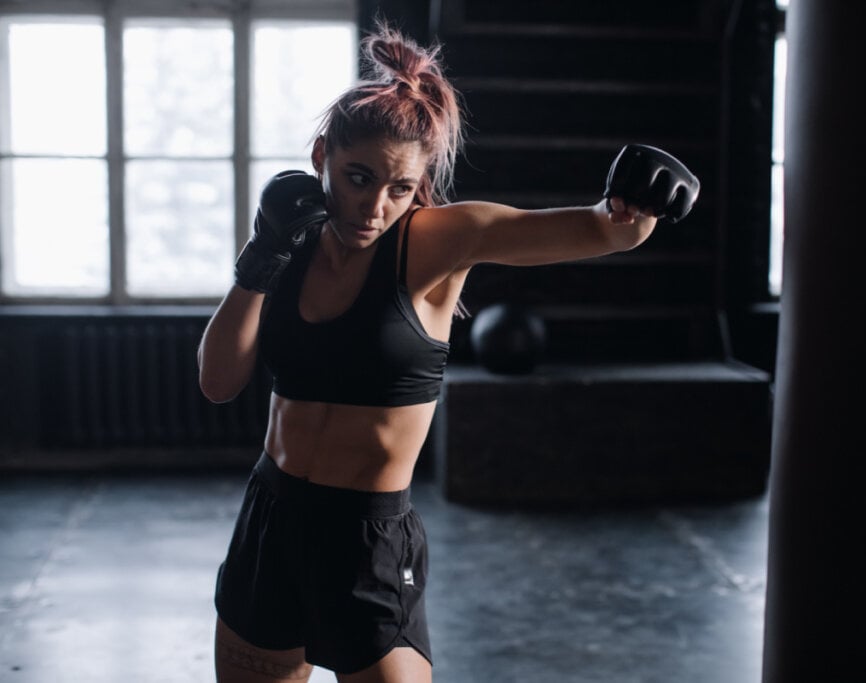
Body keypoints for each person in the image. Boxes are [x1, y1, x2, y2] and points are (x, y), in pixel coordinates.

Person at [198, 21, 698, 683]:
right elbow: (217, 380)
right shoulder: (290, 241)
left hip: (365, 539)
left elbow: (591, 230)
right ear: (321, 156)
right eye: (357, 177)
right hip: (271, 516)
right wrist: (259, 259)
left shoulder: (436, 243)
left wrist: (637, 209)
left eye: (399, 188)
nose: (375, 207)